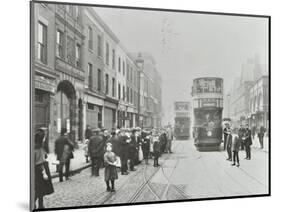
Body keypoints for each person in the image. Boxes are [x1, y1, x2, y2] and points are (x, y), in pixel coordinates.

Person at [34, 129, 54, 209]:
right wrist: (44, 173)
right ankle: (37, 204)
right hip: (39, 170)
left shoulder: (34, 146)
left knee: (38, 188)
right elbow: (40, 162)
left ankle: (40, 205)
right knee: (40, 189)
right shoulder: (38, 148)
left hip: (34, 170)